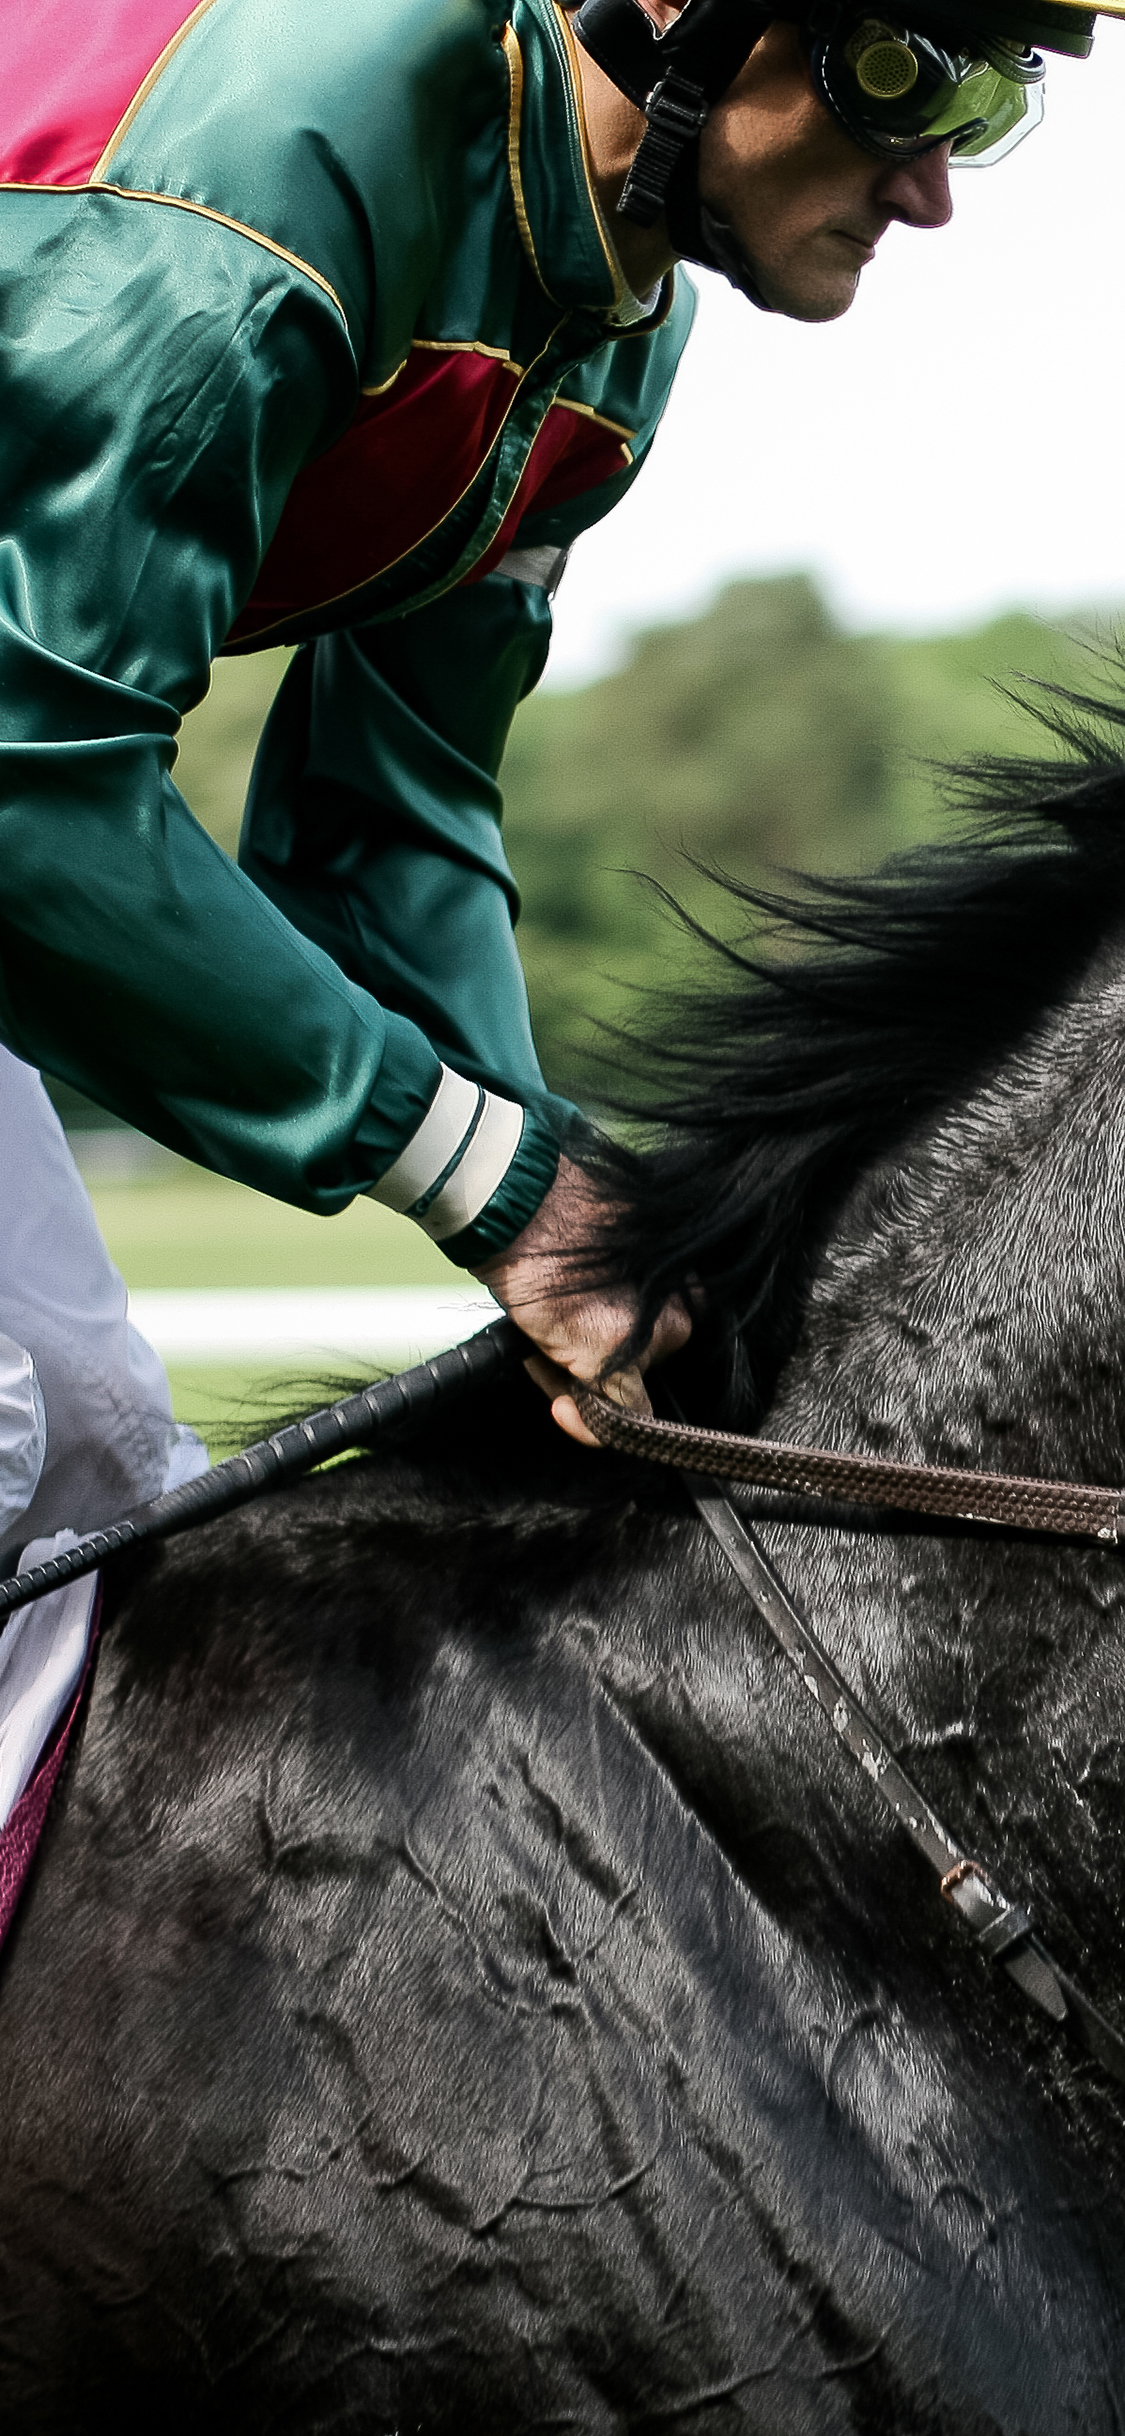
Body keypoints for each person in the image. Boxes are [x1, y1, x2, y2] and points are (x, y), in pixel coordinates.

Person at [0, 0, 1115, 1536]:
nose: (929, 186)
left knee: (90, 1479)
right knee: (19, 1449)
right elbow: (28, 789)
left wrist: (575, 1197)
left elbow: (385, 821)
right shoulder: (285, 153)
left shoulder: (616, 314)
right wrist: (495, 1188)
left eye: (987, 105)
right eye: (898, 80)